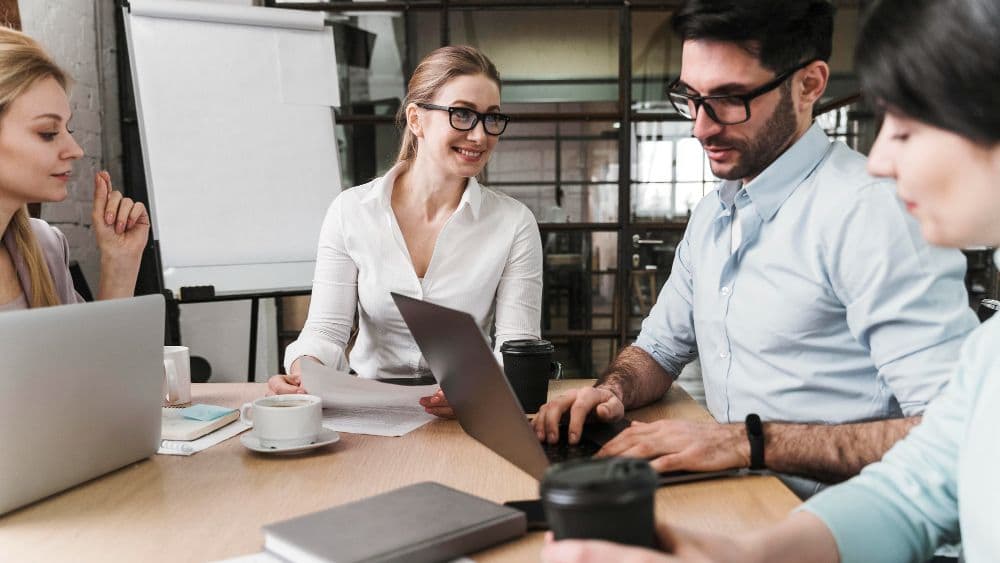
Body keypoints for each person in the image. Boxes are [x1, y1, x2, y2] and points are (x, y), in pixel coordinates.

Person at [542, 0, 999, 559]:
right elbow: (921, 483)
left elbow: (932, 446)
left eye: (730, 99)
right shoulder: (713, 214)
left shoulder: (870, 212)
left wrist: (748, 442)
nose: (700, 126)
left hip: (793, 503)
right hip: (755, 506)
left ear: (809, 85)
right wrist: (608, 392)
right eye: (691, 98)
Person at [268, 46, 543, 418]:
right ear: (416, 119)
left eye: (491, 118)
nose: (480, 135)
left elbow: (518, 346)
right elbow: (326, 331)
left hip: (468, 410)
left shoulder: (514, 222)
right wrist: (305, 367)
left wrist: (477, 388)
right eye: (462, 114)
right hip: (368, 409)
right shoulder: (351, 211)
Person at [0, 27, 148, 310]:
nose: (76, 150)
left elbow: (90, 356)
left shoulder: (45, 248)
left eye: (67, 128)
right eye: (48, 132)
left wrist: (120, 265)